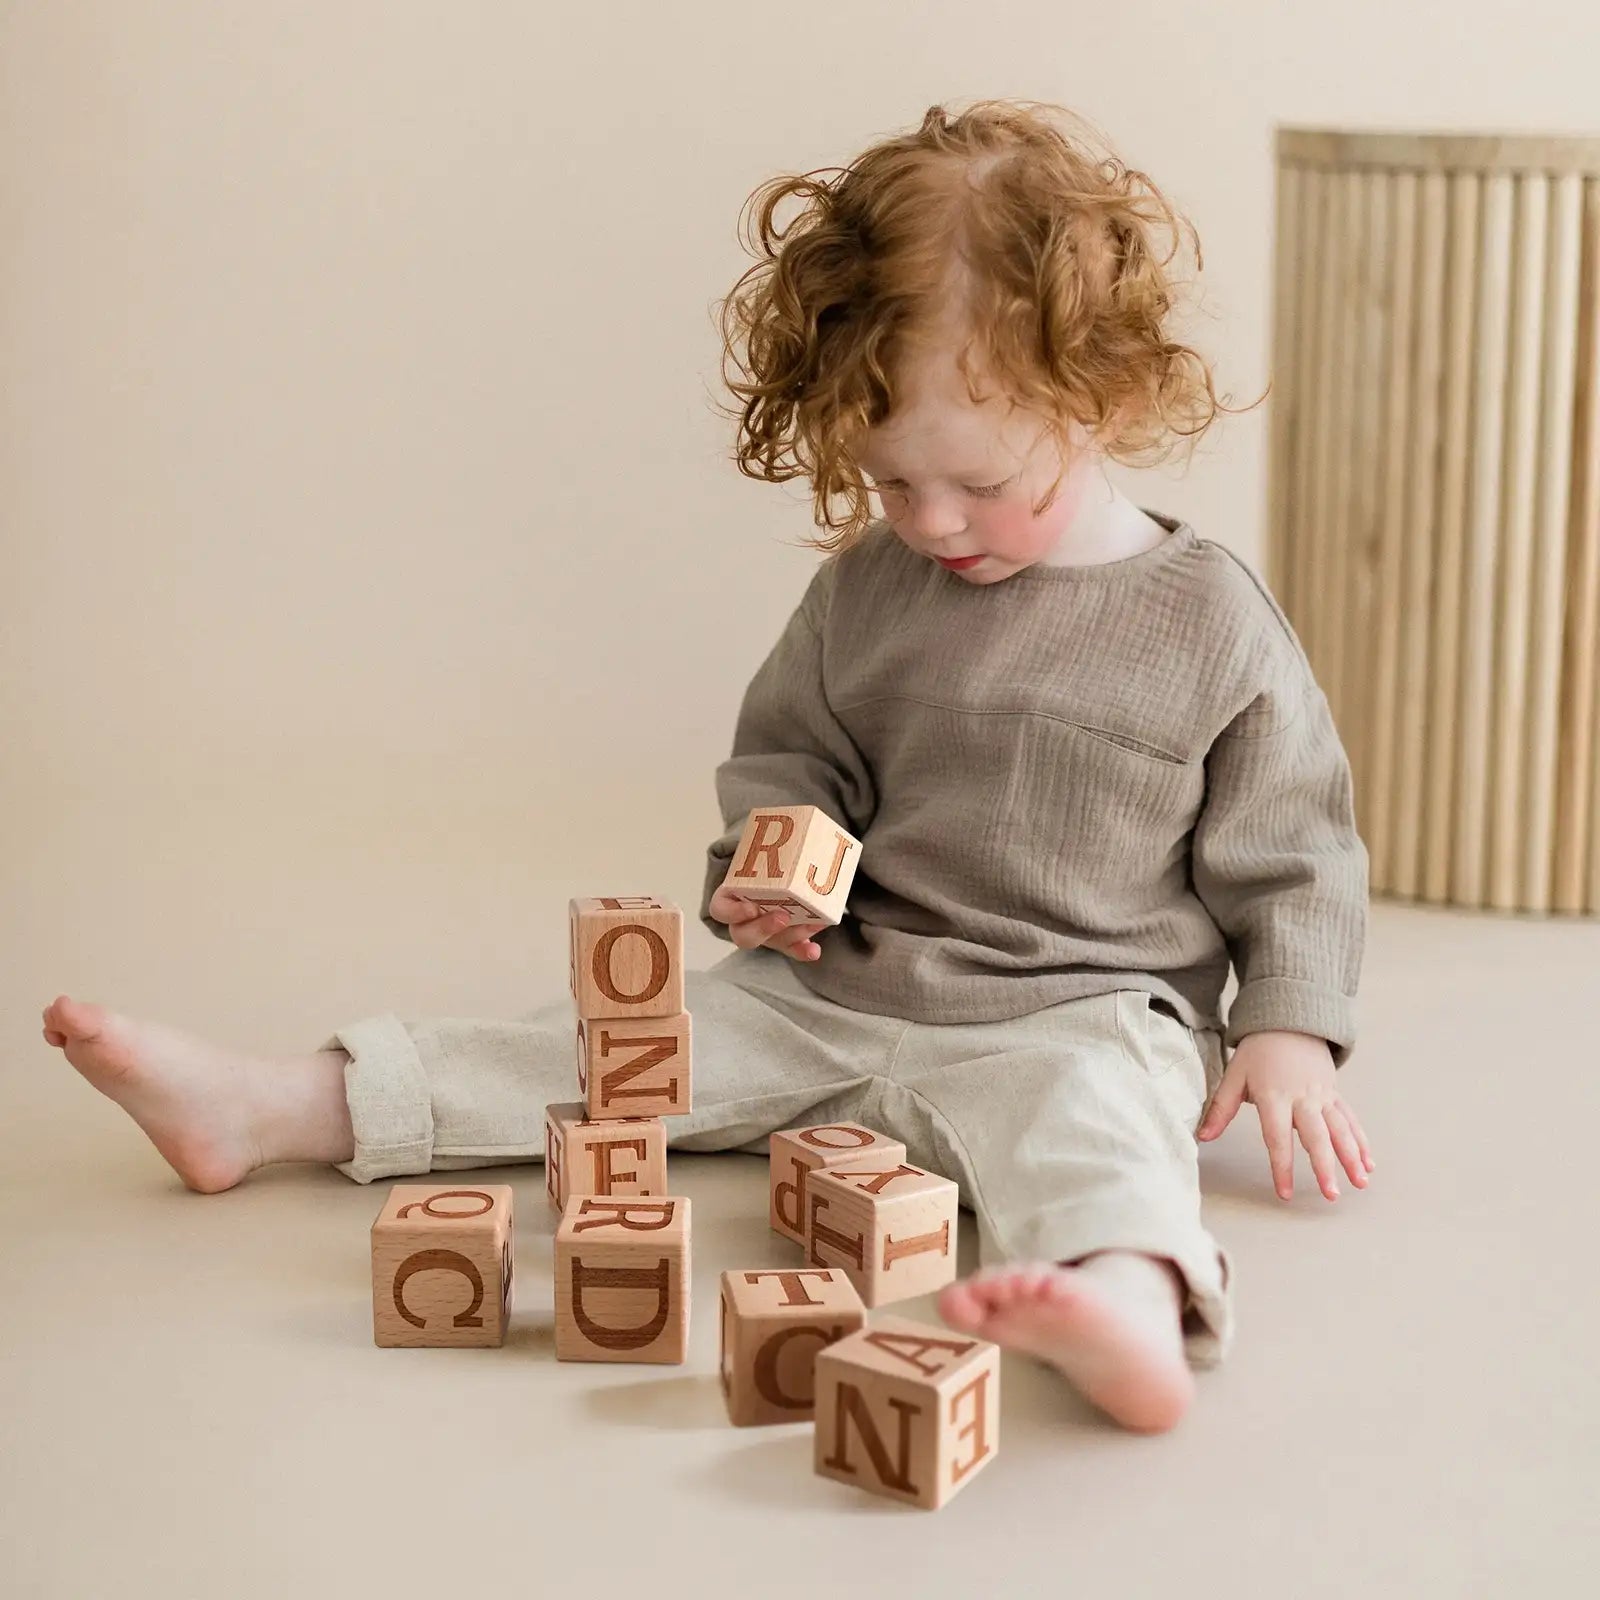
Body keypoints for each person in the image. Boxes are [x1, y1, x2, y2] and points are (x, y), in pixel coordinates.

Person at [42, 98, 1373, 1435]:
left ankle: (1125, 1304)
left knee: (1105, 1125)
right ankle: (273, 1105)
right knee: (597, 1052)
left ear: (1104, 396)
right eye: (890, 483)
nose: (932, 521)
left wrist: (1288, 1032)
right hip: (836, 986)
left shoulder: (1210, 622)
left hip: (1073, 1008)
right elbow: (793, 760)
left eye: (970, 479)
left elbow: (1299, 846)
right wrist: (769, 871)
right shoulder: (873, 592)